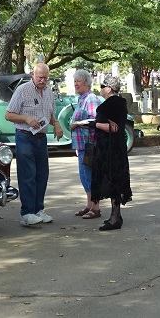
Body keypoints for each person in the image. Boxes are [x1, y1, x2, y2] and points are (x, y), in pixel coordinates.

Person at [5, 63, 63, 226]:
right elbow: (8, 115)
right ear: (33, 75)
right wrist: (26, 118)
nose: (43, 81)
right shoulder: (22, 90)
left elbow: (50, 113)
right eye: (40, 77)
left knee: (42, 175)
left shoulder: (49, 92)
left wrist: (56, 124)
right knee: (28, 174)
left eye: (46, 78)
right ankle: (27, 212)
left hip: (41, 138)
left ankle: (39, 209)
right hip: (25, 136)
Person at [91, 75, 132, 231]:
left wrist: (96, 124)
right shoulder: (117, 103)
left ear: (108, 88)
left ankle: (115, 218)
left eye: (102, 86)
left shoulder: (111, 104)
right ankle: (115, 215)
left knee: (113, 179)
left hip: (110, 148)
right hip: (114, 147)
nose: (101, 89)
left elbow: (113, 128)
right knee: (114, 179)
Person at [70, 69, 102, 219]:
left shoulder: (90, 98)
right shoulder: (81, 99)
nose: (75, 84)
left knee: (89, 176)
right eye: (75, 81)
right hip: (81, 145)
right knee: (84, 176)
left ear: (86, 83)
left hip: (89, 145)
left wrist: (77, 123)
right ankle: (89, 205)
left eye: (78, 81)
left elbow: (95, 121)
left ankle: (96, 208)